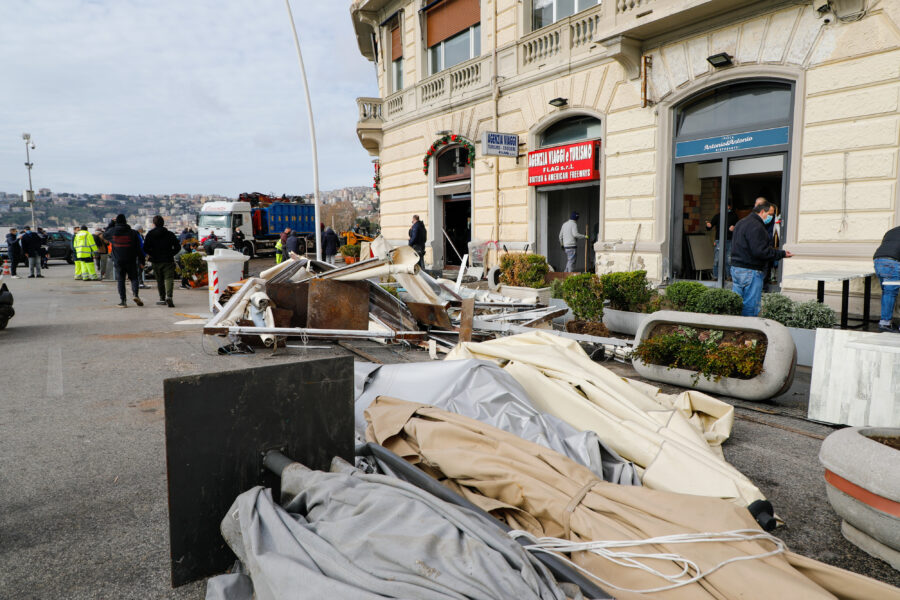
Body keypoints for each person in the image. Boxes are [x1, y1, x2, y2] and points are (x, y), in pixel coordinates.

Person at [730, 201, 793, 316]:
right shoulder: (756, 226)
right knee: (750, 306)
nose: (772, 217)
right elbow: (760, 251)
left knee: (736, 304)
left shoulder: (741, 222)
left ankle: (737, 329)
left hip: (736, 269)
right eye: (770, 214)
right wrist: (781, 254)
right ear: (762, 211)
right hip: (751, 270)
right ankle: (748, 330)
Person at [107, 214, 145, 307]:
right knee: (134, 278)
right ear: (126, 221)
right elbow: (138, 248)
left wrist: (111, 223)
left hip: (118, 260)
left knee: (121, 280)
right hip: (131, 259)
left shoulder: (112, 232)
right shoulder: (133, 233)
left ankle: (123, 301)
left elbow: (105, 233)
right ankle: (136, 295)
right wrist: (142, 261)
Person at [143, 215, 181, 308]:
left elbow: (145, 248)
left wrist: (152, 254)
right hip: (168, 259)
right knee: (169, 279)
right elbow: (178, 247)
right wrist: (171, 253)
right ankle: (169, 296)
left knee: (159, 280)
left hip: (156, 260)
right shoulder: (170, 234)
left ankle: (162, 298)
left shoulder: (150, 234)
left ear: (154, 224)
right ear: (163, 223)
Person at [873, 225, 900, 333]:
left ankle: (886, 322)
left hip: (878, 261)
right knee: (890, 293)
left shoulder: (892, 231)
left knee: (887, 292)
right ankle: (884, 324)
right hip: (892, 263)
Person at [705, 203, 738, 279]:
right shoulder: (718, 216)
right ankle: (715, 276)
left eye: (727, 206)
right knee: (717, 260)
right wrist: (708, 225)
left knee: (728, 259)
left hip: (729, 240)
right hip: (719, 240)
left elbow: (738, 226)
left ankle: (729, 276)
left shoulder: (734, 216)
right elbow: (709, 227)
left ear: (730, 206)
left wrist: (734, 227)